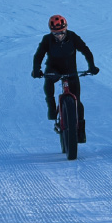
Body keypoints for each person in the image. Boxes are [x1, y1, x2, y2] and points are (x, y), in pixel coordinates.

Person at [32, 14, 99, 143]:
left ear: (66, 29)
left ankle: (80, 131)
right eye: (55, 33)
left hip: (70, 70)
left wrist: (92, 66)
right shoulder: (47, 40)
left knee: (77, 101)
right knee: (49, 81)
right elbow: (38, 55)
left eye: (61, 32)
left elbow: (86, 51)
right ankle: (52, 108)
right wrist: (36, 70)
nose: (59, 36)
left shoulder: (73, 37)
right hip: (54, 69)